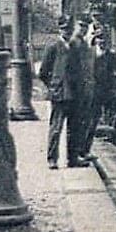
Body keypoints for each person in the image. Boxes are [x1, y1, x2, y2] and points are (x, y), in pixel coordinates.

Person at [38, 15, 86, 169]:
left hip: (74, 94)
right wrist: (53, 86)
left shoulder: (74, 47)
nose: (66, 32)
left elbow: (79, 70)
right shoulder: (52, 46)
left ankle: (72, 159)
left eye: (69, 29)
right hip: (59, 94)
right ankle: (52, 159)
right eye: (64, 29)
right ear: (59, 29)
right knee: (56, 128)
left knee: (74, 128)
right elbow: (43, 72)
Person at [88, 27, 116, 150]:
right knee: (93, 117)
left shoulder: (111, 55)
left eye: (104, 39)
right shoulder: (90, 54)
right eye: (99, 39)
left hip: (107, 89)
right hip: (94, 90)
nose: (102, 41)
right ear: (96, 40)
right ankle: (86, 145)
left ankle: (115, 134)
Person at [68, 16, 96, 163]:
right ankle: (75, 155)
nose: (83, 29)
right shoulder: (74, 43)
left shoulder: (83, 43)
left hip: (85, 87)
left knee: (83, 121)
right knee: (77, 123)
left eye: (85, 27)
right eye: (81, 26)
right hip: (78, 89)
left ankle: (81, 152)